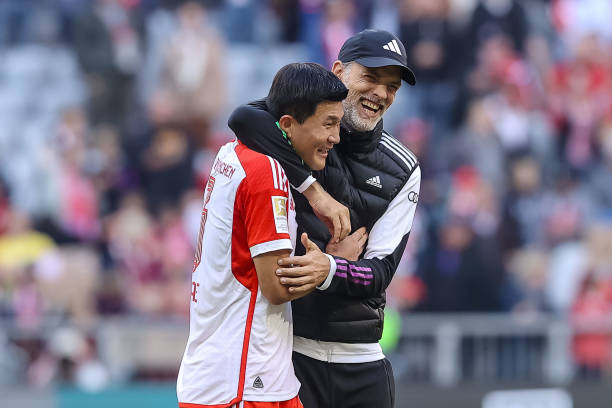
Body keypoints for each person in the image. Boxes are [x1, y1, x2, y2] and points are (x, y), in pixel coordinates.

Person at [229, 29, 421, 408]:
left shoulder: (404, 167)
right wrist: (312, 191)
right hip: (290, 355)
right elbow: (243, 117)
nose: (381, 94)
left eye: (392, 87)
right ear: (339, 72)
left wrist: (328, 269)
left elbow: (380, 272)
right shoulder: (296, 129)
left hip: (362, 361)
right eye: (370, 77)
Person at [177, 63, 349, 408]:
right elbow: (274, 288)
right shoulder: (265, 172)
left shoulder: (231, 152)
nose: (336, 137)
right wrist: (332, 265)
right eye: (328, 124)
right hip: (242, 379)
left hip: (252, 373)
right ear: (287, 124)